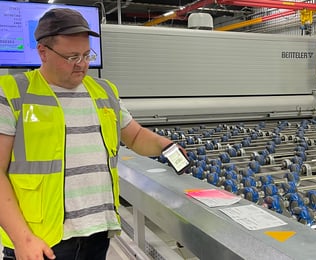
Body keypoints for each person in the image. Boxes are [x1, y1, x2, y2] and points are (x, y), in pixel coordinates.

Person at [0, 8, 182, 260]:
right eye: (72, 57)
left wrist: (166, 146)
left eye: (87, 55)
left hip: (97, 234)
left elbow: (136, 136)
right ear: (43, 52)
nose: (82, 64)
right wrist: (23, 239)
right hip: (42, 241)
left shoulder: (104, 91)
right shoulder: (12, 94)